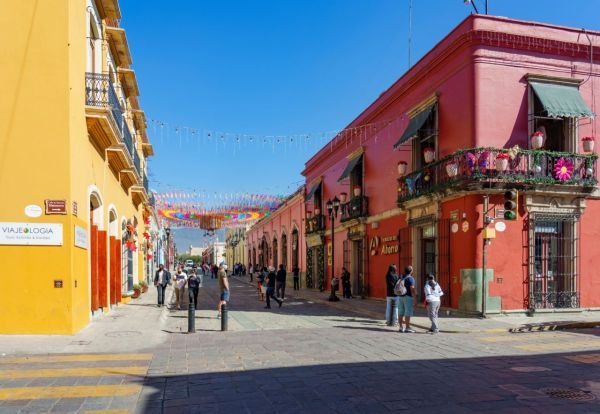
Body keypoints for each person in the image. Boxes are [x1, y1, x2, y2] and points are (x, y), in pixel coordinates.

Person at [398, 265, 416, 333]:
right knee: (407, 312)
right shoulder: (410, 278)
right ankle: (407, 328)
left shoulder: (401, 277)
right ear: (411, 271)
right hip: (408, 297)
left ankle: (400, 327)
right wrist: (415, 298)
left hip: (400, 296)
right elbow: (412, 289)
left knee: (400, 312)